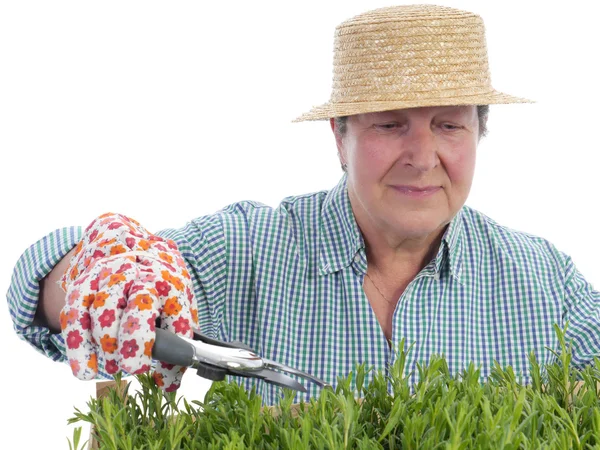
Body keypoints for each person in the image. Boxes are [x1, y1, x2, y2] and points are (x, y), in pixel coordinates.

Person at [6, 4, 600, 406]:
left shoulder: (544, 283)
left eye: (448, 125)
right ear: (338, 137)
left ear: (479, 134)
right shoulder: (249, 249)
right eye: (390, 125)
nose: (423, 156)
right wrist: (107, 275)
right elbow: (40, 283)